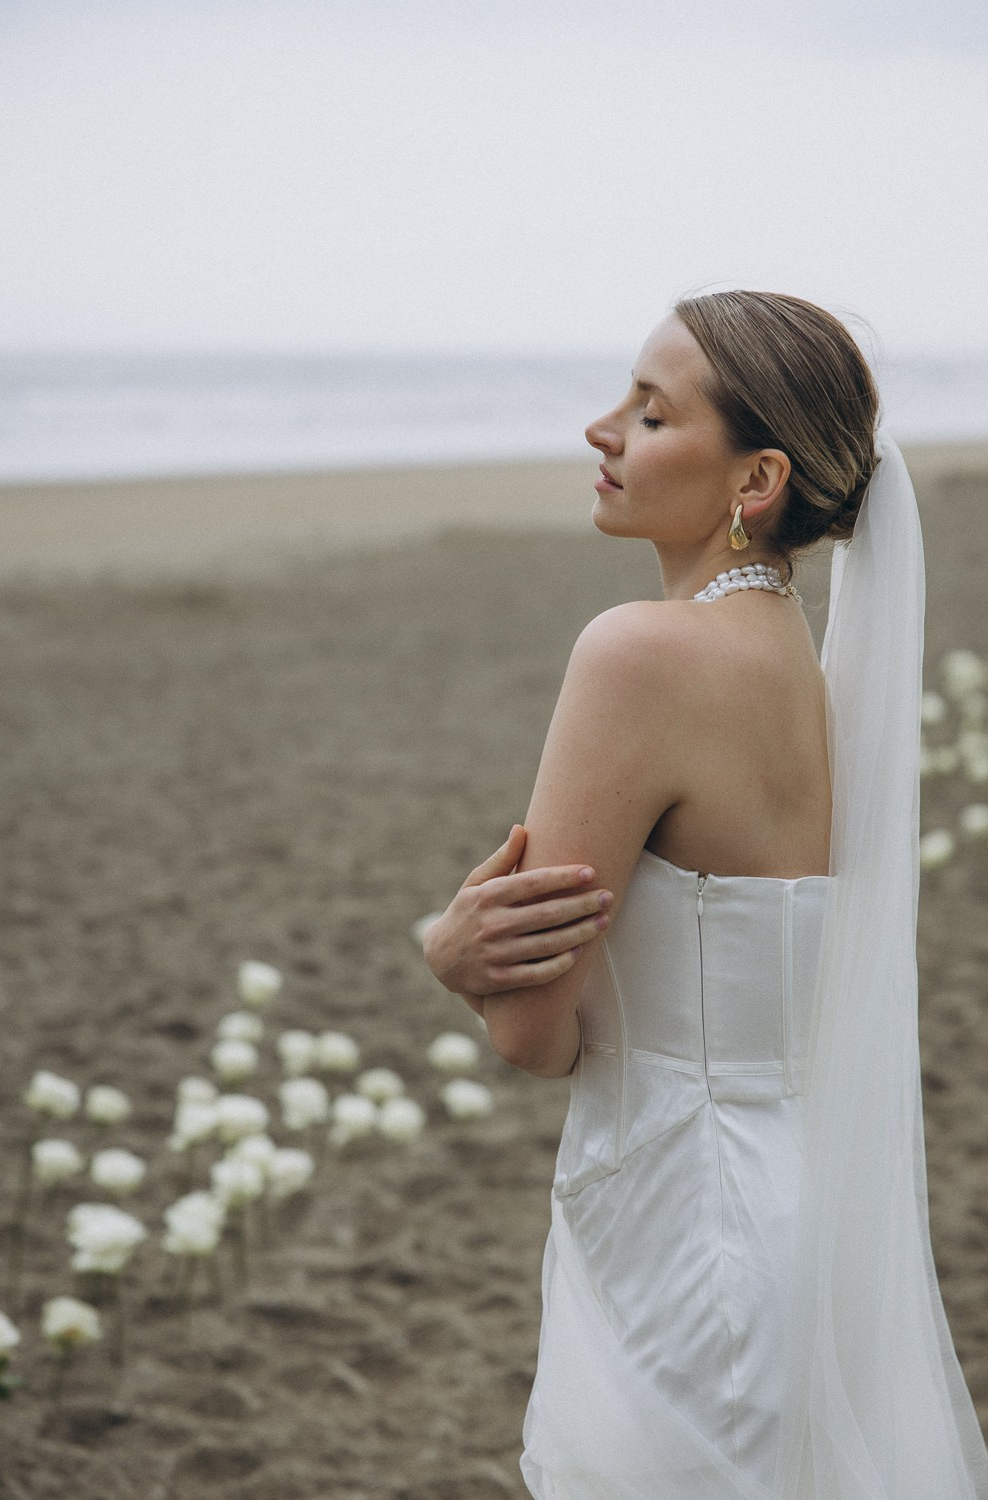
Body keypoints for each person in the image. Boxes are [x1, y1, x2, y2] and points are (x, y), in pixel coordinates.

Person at [423, 291, 988, 1498]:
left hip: (682, 1217)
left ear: (756, 481)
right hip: (803, 1207)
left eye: (650, 412)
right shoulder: (805, 672)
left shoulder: (640, 654)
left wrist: (456, 959)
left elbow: (535, 1032)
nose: (601, 430)